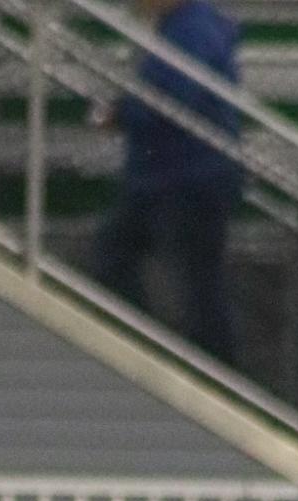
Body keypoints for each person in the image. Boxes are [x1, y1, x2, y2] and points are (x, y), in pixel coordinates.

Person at [93, 0, 242, 368]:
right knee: (119, 256)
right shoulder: (181, 26)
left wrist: (123, 113)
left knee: (197, 283)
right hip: (167, 176)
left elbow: (174, 97)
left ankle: (211, 366)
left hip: (187, 177)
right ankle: (157, 345)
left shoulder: (191, 28)